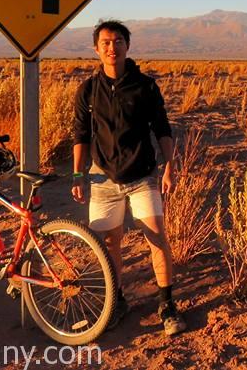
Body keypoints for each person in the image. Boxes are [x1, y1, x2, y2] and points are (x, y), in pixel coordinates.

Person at [71, 19, 187, 336]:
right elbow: (80, 135)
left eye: (118, 40)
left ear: (127, 46)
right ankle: (117, 301)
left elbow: (162, 129)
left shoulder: (145, 86)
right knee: (108, 245)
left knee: (156, 237)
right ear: (96, 49)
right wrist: (78, 174)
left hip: (142, 175)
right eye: (106, 42)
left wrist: (169, 167)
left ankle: (167, 305)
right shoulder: (88, 90)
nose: (112, 47)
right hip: (101, 179)